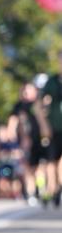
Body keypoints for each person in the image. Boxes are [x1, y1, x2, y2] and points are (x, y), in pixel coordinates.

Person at [40, 50, 62, 207]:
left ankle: (57, 187)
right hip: (55, 127)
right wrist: (44, 124)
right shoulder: (52, 82)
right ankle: (53, 189)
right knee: (51, 161)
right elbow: (40, 104)